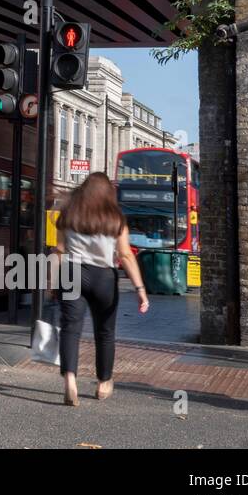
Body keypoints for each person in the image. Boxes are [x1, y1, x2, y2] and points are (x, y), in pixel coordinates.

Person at [54, 171, 149, 406]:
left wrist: (49, 280)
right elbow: (125, 255)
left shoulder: (68, 214)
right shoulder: (116, 218)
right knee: (105, 332)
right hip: (104, 277)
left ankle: (70, 380)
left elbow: (58, 250)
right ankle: (104, 383)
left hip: (72, 272)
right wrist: (140, 289)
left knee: (70, 328)